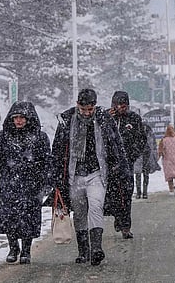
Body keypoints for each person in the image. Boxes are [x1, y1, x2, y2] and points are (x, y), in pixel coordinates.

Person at [51, 88, 128, 265]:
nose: (87, 113)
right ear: (77, 105)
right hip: (74, 173)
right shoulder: (66, 121)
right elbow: (58, 149)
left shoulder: (103, 120)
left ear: (95, 106)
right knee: (79, 212)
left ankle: (96, 248)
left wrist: (120, 165)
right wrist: (55, 175)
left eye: (90, 109)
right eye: (84, 109)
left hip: (97, 172)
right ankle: (83, 251)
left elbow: (116, 143)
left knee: (95, 206)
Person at [0, 101, 52, 265]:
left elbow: (47, 161)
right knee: (10, 216)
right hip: (10, 182)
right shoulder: (3, 136)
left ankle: (26, 250)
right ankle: (13, 247)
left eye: (22, 117)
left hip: (32, 183)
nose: (19, 121)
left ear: (29, 118)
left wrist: (48, 181)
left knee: (29, 216)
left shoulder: (40, 137)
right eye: (16, 117)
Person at [106, 91, 146, 239]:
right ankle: (118, 217)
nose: (122, 109)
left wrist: (131, 156)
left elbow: (141, 139)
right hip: (108, 165)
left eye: (125, 106)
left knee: (127, 194)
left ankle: (126, 226)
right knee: (111, 195)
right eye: (119, 106)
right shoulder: (105, 118)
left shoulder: (134, 119)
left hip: (126, 164)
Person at [157, 125, 175, 195]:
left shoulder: (163, 140)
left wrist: (159, 156)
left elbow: (160, 150)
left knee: (169, 176)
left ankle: (171, 191)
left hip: (167, 160)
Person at [134, 124, 160, 199]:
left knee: (142, 175)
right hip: (141, 156)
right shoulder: (146, 135)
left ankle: (142, 193)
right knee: (141, 175)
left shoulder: (146, 134)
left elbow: (154, 146)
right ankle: (141, 193)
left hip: (144, 156)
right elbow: (153, 146)